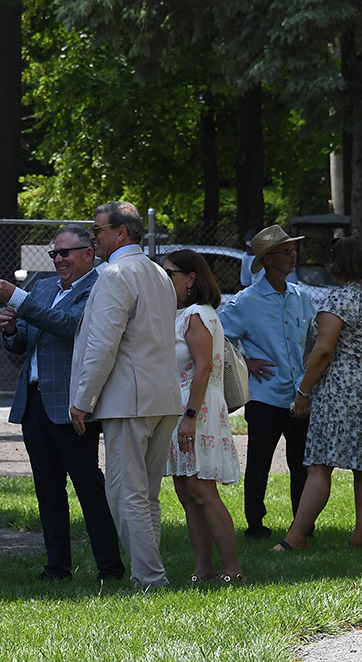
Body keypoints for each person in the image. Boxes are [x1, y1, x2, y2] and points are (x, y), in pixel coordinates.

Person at [0, 225, 124, 583]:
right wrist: (11, 331)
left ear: (88, 254)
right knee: (47, 490)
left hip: (72, 405)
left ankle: (110, 569)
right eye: (54, 254)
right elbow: (25, 345)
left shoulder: (99, 288)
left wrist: (18, 299)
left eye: (66, 253)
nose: (59, 260)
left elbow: (69, 326)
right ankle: (57, 568)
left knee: (88, 487)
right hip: (34, 403)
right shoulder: (44, 287)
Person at [69, 202, 182, 589]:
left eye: (97, 230)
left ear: (120, 232)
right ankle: (150, 574)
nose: (92, 237)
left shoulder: (115, 274)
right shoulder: (158, 273)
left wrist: (83, 399)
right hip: (163, 398)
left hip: (130, 401)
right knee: (147, 494)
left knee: (126, 493)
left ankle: (149, 578)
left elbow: (102, 345)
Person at [273, 237, 362, 552]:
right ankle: (361, 535)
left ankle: (295, 538)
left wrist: (304, 391)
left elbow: (324, 350)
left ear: (334, 265)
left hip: (340, 388)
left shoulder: (337, 299)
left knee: (320, 465)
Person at [220, 225, 316, 539]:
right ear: (269, 260)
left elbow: (314, 336)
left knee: (302, 464)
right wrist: (245, 364)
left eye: (292, 249)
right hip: (264, 397)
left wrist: (311, 358)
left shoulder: (301, 297)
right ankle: (255, 524)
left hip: (300, 395)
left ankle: (302, 526)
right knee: (259, 462)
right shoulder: (246, 301)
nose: (293, 255)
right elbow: (215, 336)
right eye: (286, 251)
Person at [162, 250, 244, 583]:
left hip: (197, 411)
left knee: (202, 491)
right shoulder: (179, 314)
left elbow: (205, 366)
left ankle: (232, 570)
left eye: (170, 274)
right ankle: (203, 570)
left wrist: (190, 417)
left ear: (191, 279)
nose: (164, 281)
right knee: (186, 492)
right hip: (180, 410)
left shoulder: (197, 313)